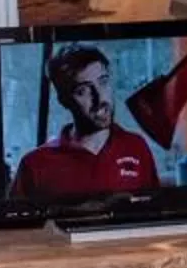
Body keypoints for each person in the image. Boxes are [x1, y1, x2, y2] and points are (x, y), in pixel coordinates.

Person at [10, 45, 161, 202]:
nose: (100, 98)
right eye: (83, 91)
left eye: (103, 82)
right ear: (64, 101)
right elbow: (20, 225)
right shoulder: (34, 165)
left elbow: (155, 214)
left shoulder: (136, 147)